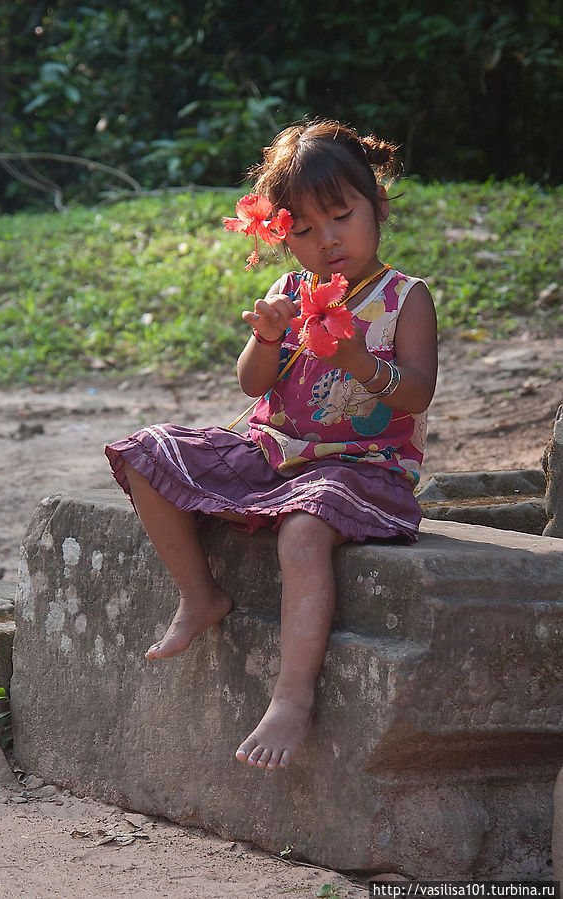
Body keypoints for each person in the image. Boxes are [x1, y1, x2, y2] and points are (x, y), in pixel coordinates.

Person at [105, 118, 438, 772]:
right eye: (304, 230)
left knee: (302, 535)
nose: (327, 240)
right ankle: (200, 596)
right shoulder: (287, 293)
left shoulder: (405, 298)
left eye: (341, 216)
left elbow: (417, 393)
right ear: (282, 234)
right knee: (147, 454)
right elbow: (252, 383)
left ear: (379, 207)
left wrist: (357, 359)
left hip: (362, 473)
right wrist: (264, 336)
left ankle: (291, 697)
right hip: (273, 458)